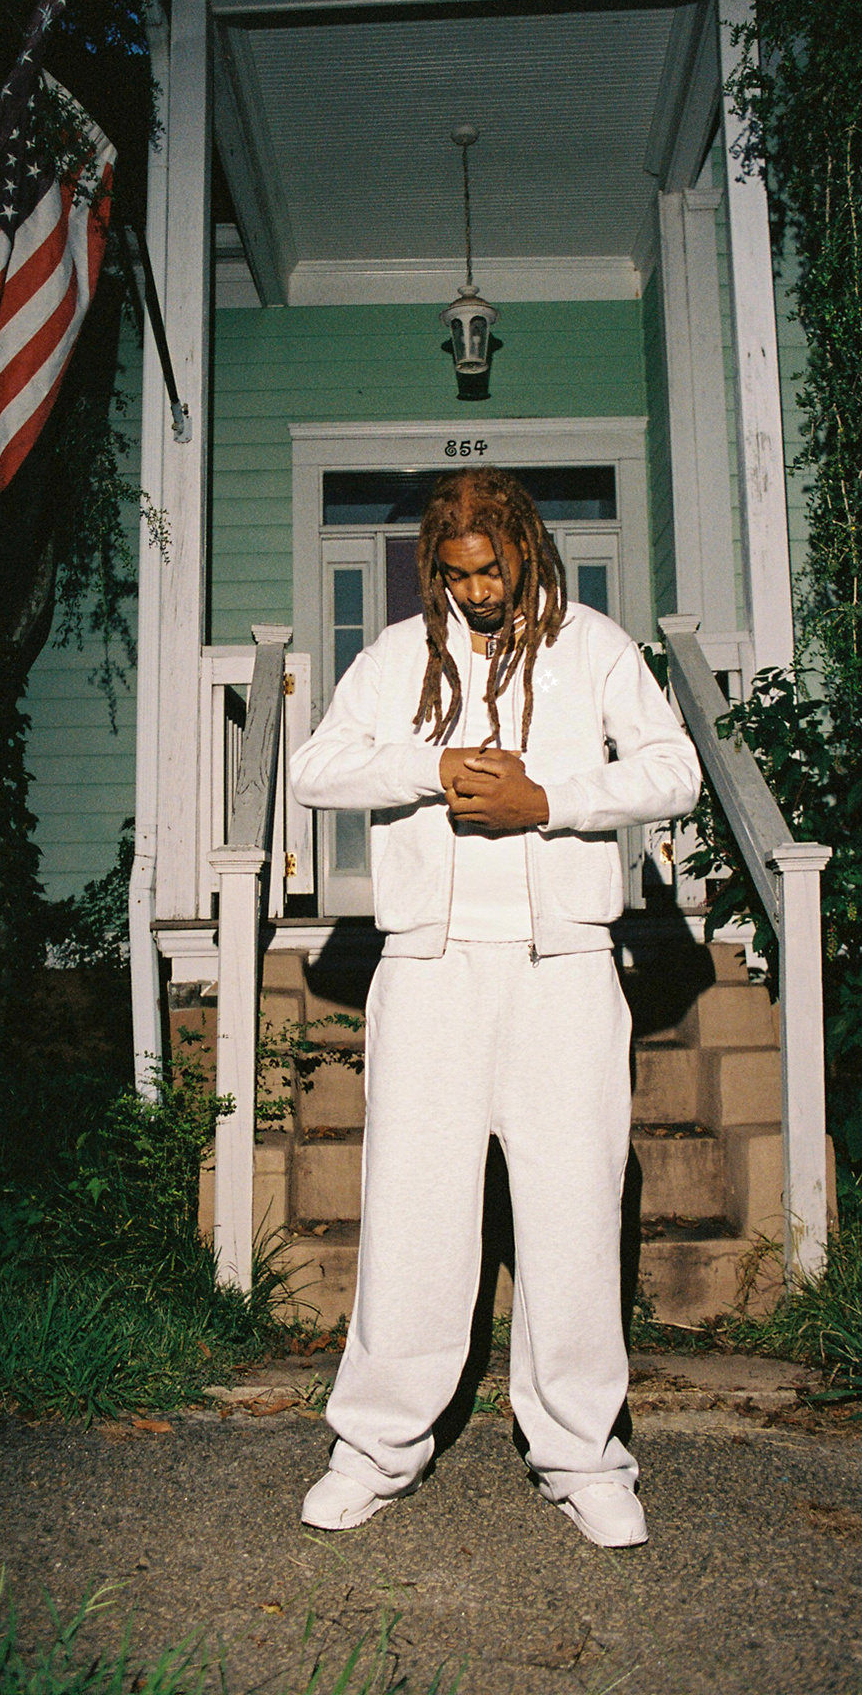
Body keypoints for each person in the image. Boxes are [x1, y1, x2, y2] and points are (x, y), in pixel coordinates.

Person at [289, 467, 700, 1547]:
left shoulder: (593, 647)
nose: (476, 590)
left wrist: (550, 800)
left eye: (492, 569)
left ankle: (583, 1456)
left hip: (564, 968)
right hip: (429, 969)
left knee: (573, 1211)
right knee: (414, 1211)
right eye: (456, 573)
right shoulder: (397, 656)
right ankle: (377, 1447)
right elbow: (316, 769)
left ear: (527, 551)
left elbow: (674, 772)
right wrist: (431, 768)